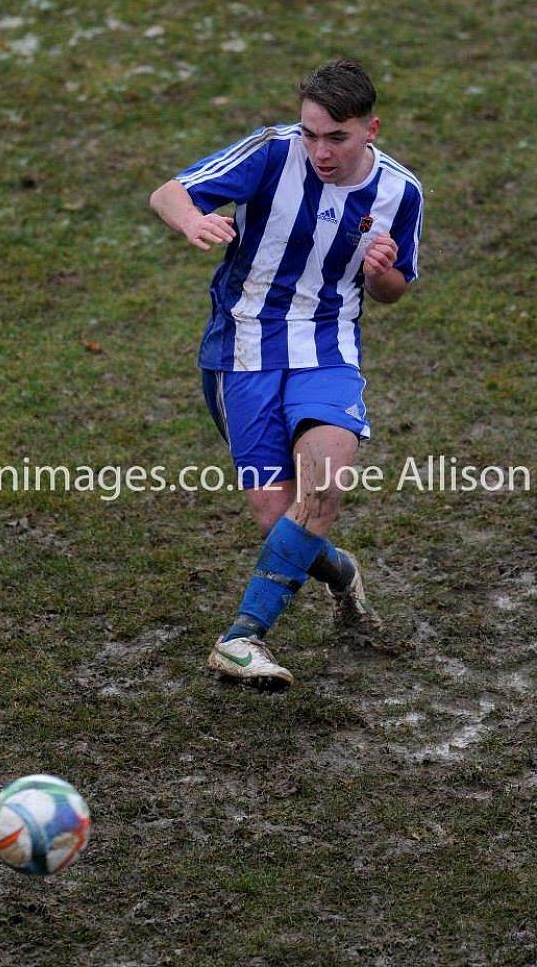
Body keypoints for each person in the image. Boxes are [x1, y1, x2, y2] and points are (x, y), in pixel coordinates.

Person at [149, 60, 423, 691]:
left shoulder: (400, 193)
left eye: (337, 138)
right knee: (282, 521)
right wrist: (193, 220)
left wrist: (382, 273)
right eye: (311, 133)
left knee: (321, 490)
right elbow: (169, 192)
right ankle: (340, 571)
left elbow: (395, 289)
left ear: (370, 129)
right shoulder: (273, 154)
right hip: (241, 352)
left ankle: (241, 637)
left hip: (327, 350)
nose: (319, 151)